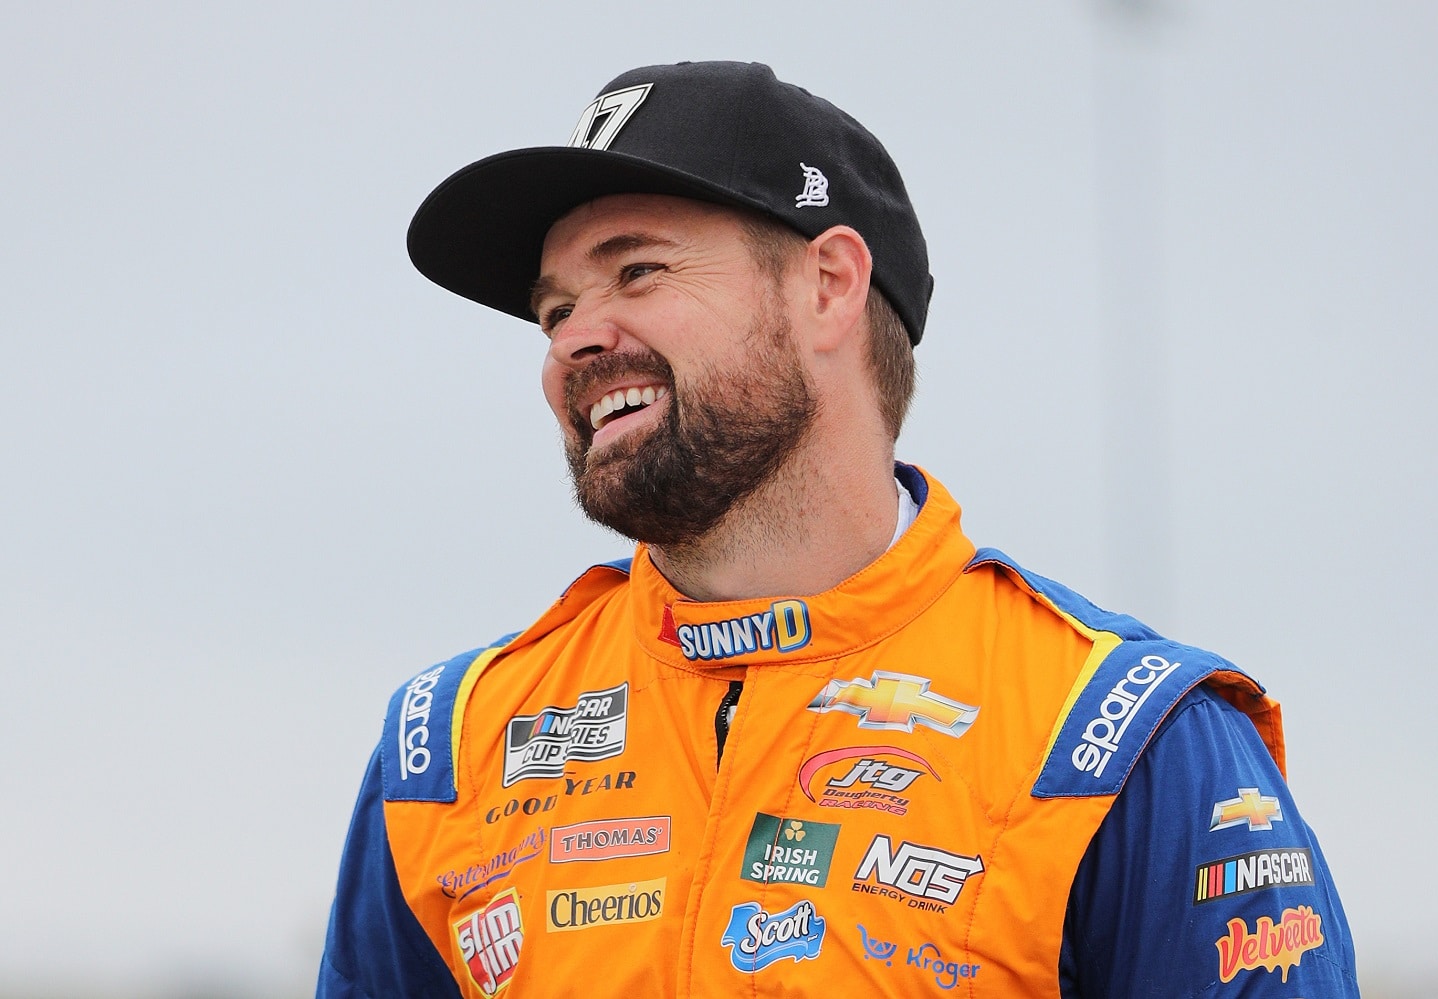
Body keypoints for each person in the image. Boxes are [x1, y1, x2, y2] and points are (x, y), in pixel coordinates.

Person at [318, 61, 1358, 997]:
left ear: (828, 286)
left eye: (638, 273)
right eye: (554, 313)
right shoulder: (450, 745)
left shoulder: (1118, 740)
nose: (577, 341)